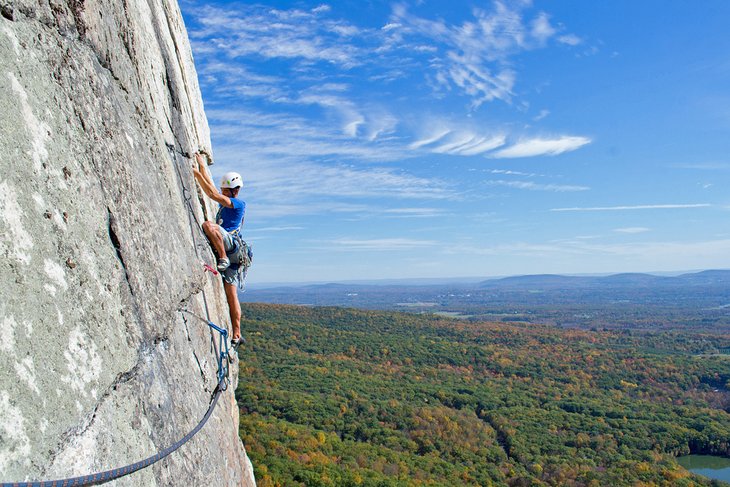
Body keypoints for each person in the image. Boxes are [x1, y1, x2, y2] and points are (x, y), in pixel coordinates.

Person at [192, 151, 245, 346]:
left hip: (230, 247)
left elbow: (213, 194)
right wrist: (202, 166)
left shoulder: (238, 204)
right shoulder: (229, 198)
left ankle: (221, 257)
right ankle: (237, 333)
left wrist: (197, 175)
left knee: (209, 226)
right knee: (232, 296)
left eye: (226, 190)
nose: (223, 192)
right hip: (236, 254)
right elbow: (214, 188)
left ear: (234, 191)